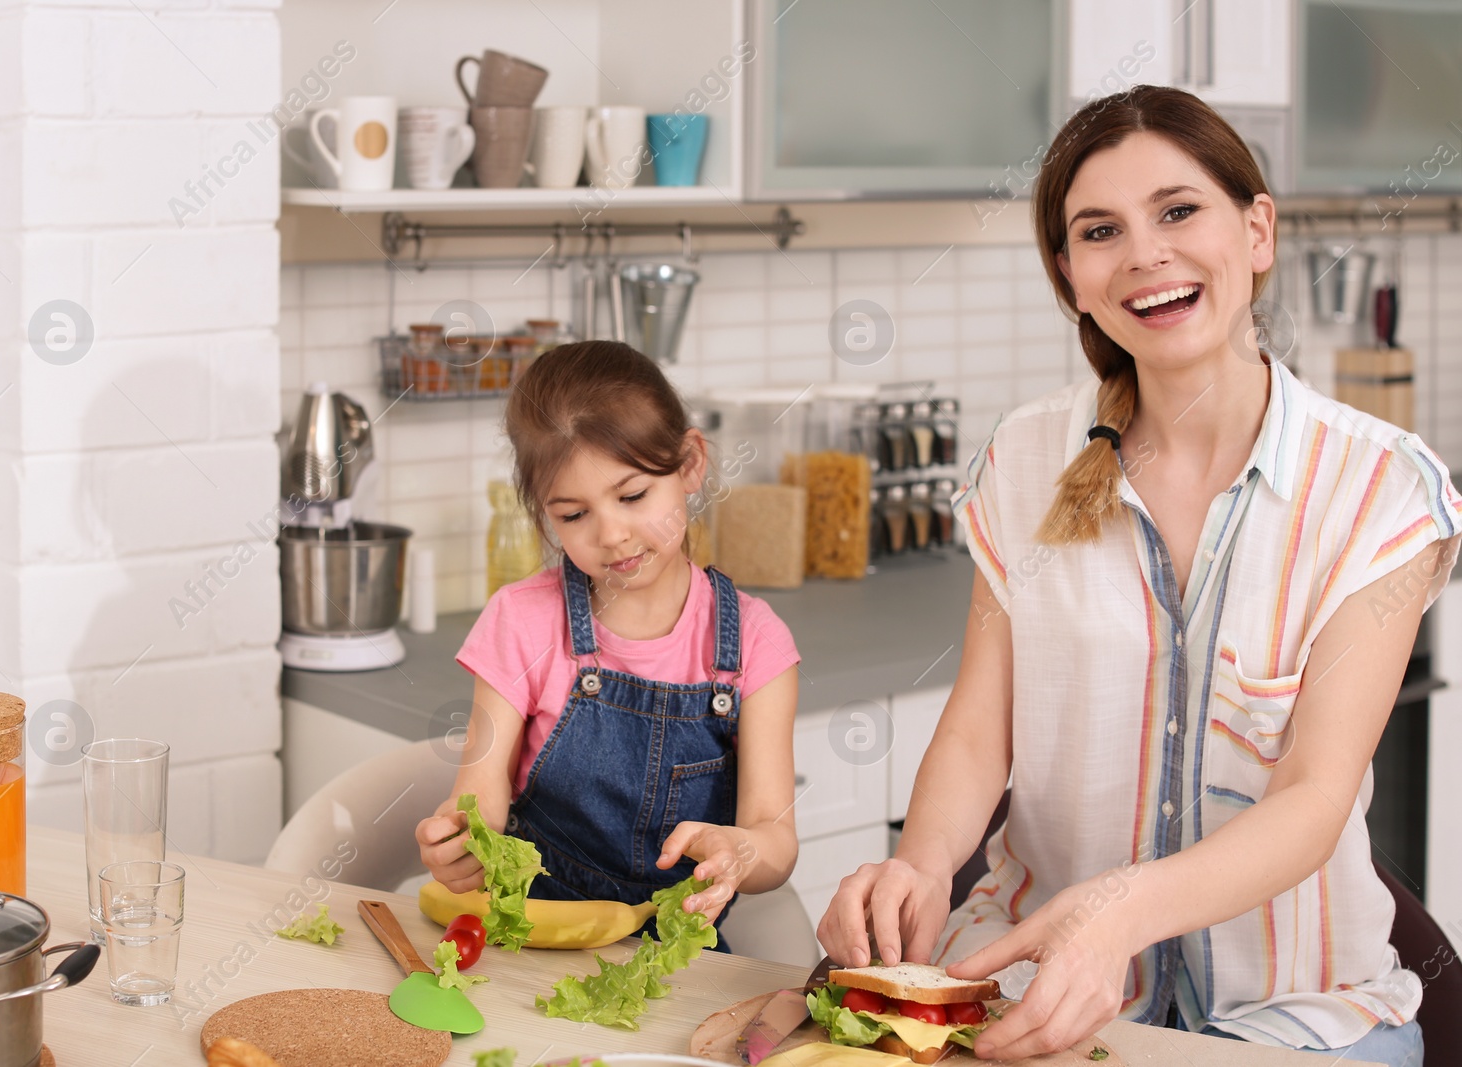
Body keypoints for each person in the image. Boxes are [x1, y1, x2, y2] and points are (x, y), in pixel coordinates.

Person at [818, 85, 1458, 1067]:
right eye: (1100, 230)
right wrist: (919, 861)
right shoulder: (1028, 455)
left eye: (1177, 210)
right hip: (1023, 984)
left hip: (1296, 1006)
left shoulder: (1381, 487)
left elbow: (1313, 797)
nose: (1145, 254)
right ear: (1071, 275)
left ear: (1256, 231)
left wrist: (1118, 910)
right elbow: (981, 726)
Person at [416, 340, 801, 937]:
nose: (613, 534)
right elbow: (480, 795)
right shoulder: (521, 621)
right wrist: (460, 839)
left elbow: (774, 836)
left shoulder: (756, 644)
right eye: (574, 515)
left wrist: (742, 853)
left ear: (690, 464)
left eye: (632, 496)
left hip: (675, 957)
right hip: (530, 933)